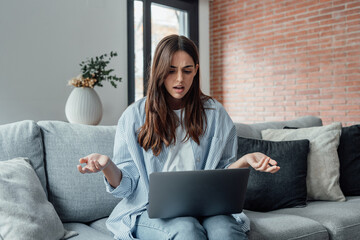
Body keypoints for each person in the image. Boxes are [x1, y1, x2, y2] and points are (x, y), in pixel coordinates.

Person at [77, 34, 280, 240]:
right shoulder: (134, 116)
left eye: (187, 70)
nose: (180, 79)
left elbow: (222, 178)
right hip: (147, 210)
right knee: (187, 230)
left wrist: (244, 161)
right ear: (159, 71)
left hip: (206, 209)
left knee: (226, 231)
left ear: (196, 71)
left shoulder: (216, 114)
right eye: (171, 71)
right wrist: (107, 166)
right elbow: (126, 188)